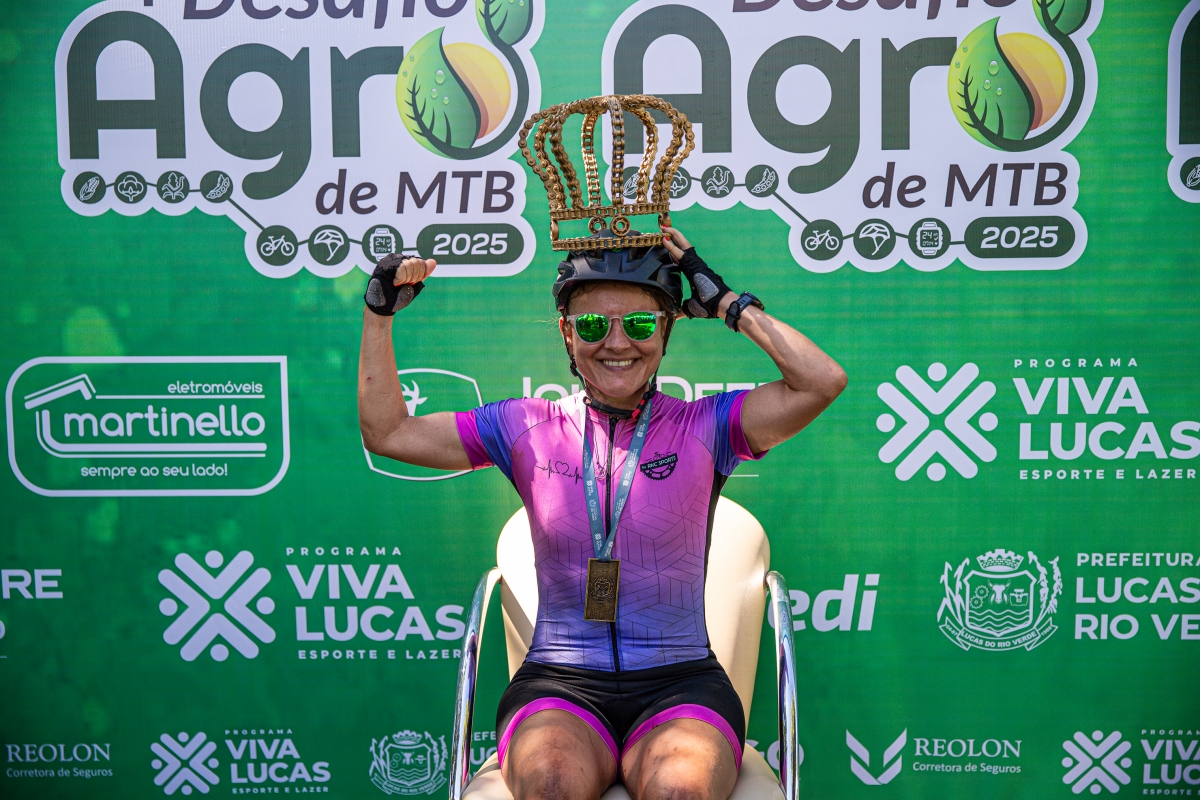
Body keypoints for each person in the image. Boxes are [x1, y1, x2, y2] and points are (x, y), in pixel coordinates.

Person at [358, 227, 846, 800]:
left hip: (682, 686)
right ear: (567, 333)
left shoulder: (707, 426)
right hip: (558, 685)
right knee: (553, 786)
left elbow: (822, 381)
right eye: (592, 325)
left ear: (666, 330)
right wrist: (379, 315)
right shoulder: (523, 426)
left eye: (639, 324)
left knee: (680, 793)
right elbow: (388, 433)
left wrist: (729, 305)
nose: (617, 343)